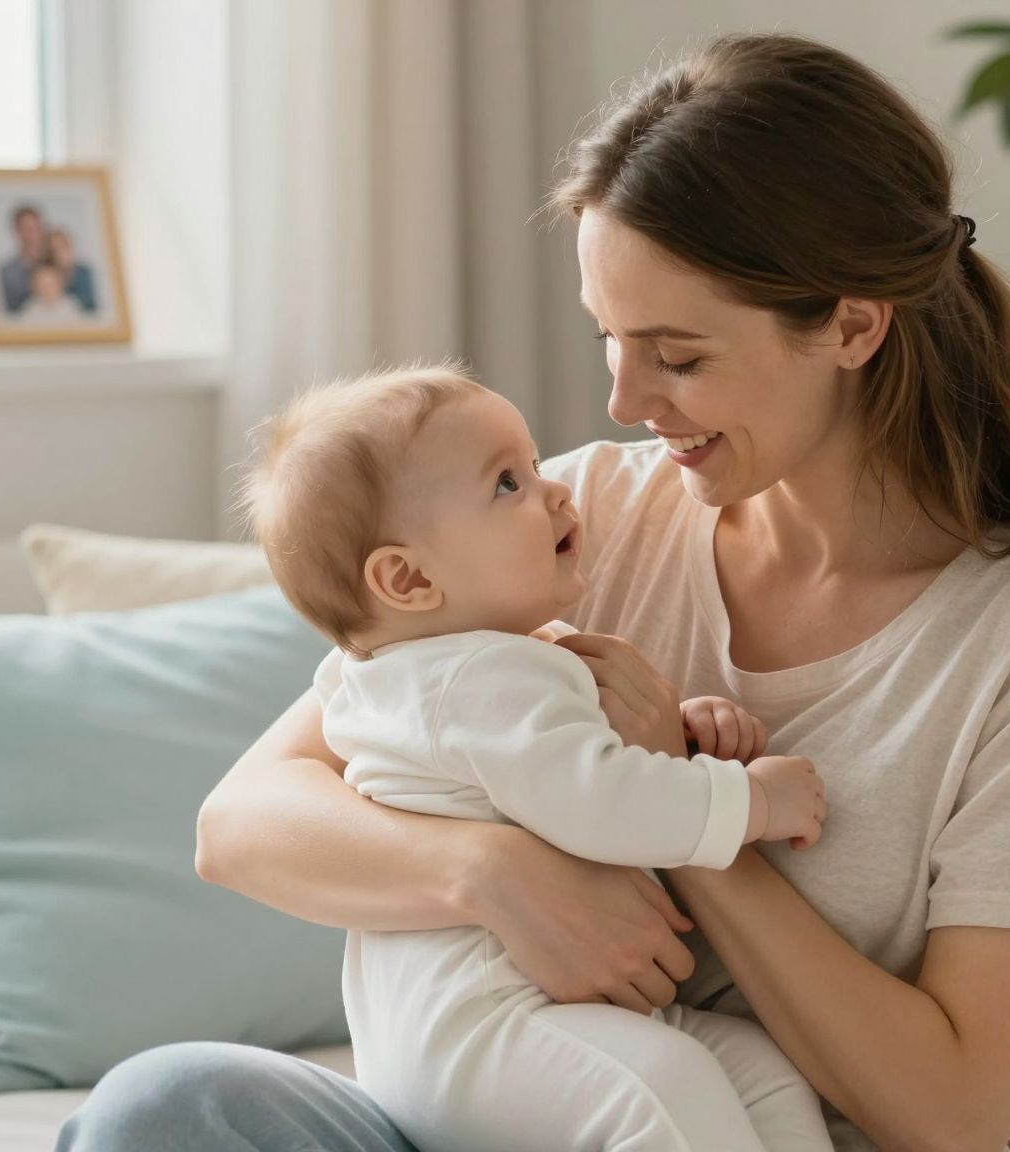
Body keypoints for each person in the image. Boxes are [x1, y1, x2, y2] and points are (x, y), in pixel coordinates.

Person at [59, 32, 1010, 1152]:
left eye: (678, 355)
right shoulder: (575, 516)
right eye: (607, 339)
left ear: (852, 323)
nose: (622, 401)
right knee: (168, 1111)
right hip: (537, 1114)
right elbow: (243, 822)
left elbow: (952, 1113)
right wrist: (497, 873)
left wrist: (699, 822)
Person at [238, 365, 832, 1152]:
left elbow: (551, 766)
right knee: (664, 1093)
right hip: (485, 1028)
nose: (557, 492)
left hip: (479, 1028)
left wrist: (681, 730)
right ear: (409, 578)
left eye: (537, 462)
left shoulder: (439, 670)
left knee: (757, 1072)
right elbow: (601, 802)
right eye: (508, 484)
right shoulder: (475, 678)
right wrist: (751, 800)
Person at [0, 204, 47, 314]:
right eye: (27, 229)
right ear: (17, 231)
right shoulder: (6, 273)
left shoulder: (56, 265)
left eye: (36, 228)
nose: (33, 234)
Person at [16, 261, 87, 324]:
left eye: (50, 284)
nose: (47, 289)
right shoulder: (29, 309)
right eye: (42, 285)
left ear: (60, 284)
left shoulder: (72, 306)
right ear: (34, 286)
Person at [48, 228, 99, 313]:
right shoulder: (48, 276)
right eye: (54, 250)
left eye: (63, 246)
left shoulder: (85, 273)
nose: (60, 253)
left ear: (71, 246)